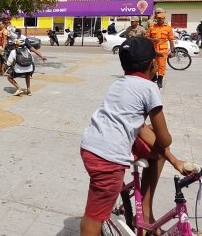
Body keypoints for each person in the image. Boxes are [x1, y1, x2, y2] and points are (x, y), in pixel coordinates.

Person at [80, 37, 199, 235]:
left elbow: (140, 128)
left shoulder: (120, 83)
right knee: (94, 216)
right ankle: (145, 212)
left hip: (91, 146)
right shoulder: (149, 88)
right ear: (153, 64)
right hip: (108, 158)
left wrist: (175, 161)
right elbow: (164, 139)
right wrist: (166, 141)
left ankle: (145, 214)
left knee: (154, 145)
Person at [146, 8, 174, 89]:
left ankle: (160, 80)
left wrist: (172, 51)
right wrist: (153, 39)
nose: (160, 20)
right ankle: (153, 76)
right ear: (156, 19)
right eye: (158, 18)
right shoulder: (152, 27)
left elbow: (171, 40)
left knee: (162, 65)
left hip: (162, 50)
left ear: (164, 19)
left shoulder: (168, 28)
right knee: (152, 64)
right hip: (153, 49)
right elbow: (146, 37)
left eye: (161, 18)